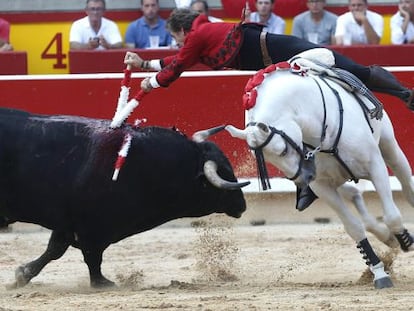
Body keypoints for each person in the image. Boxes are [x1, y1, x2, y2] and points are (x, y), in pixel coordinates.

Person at [123, 9, 414, 212]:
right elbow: (177, 60)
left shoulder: (198, 35)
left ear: (184, 30)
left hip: (282, 51)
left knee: (349, 70)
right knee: (290, 123)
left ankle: (405, 93)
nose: (179, 43)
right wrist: (145, 65)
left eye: (178, 38)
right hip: (275, 61)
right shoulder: (199, 36)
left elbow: (176, 68)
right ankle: (307, 183)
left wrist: (149, 82)